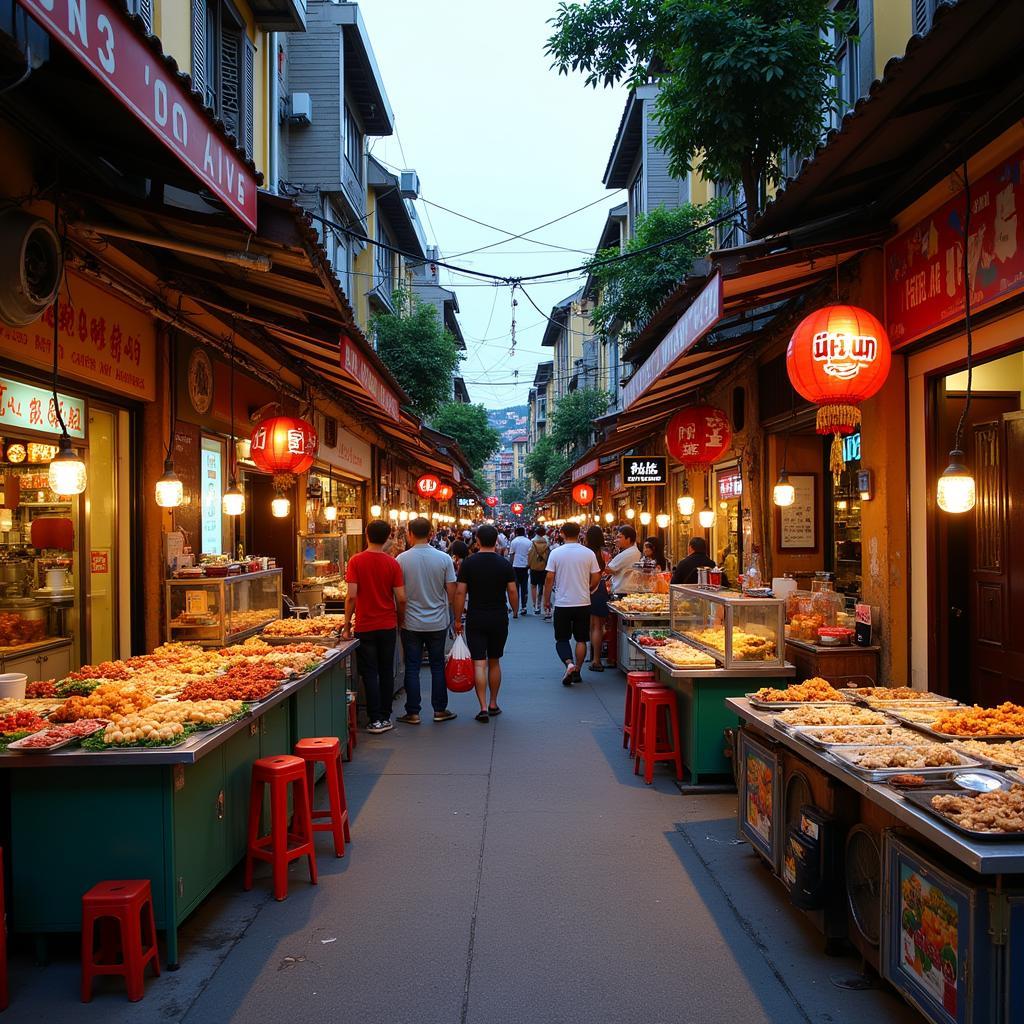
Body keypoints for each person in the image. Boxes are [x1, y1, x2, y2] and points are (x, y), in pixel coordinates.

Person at [343, 520, 406, 734]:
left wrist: (346, 625)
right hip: (387, 624)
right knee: (386, 670)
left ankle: (374, 718)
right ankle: (385, 716)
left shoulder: (356, 561)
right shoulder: (393, 563)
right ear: (388, 536)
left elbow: (351, 596)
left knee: (369, 672)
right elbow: (401, 597)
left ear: (367, 535)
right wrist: (400, 619)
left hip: (364, 625)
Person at [395, 517, 458, 726]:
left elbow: (399, 595)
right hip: (438, 621)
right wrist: (452, 615)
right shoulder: (443, 558)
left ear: (410, 534)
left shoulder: (401, 559)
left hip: (410, 622)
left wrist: (400, 618)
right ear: (431, 533)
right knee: (437, 665)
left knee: (412, 666)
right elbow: (452, 592)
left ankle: (413, 712)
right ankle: (440, 709)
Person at [452, 524, 517, 722]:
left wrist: (456, 618)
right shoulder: (504, 564)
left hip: (476, 617)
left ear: (477, 540)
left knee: (478, 663)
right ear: (496, 540)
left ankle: (482, 707)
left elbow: (461, 592)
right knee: (494, 661)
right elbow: (512, 591)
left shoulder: (469, 564)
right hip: (498, 616)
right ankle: (493, 703)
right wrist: (515, 609)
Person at [543, 521, 601, 686]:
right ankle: (578, 670)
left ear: (561, 533)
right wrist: (589, 587)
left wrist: (546, 599)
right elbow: (596, 575)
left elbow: (549, 578)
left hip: (563, 602)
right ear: (579, 534)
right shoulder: (588, 553)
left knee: (562, 638)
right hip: (583, 602)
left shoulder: (556, 553)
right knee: (581, 639)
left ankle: (569, 664)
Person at [584, 525, 611, 672]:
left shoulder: (586, 553)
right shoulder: (605, 553)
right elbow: (608, 569)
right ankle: (595, 657)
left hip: (588, 588)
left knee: (591, 626)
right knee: (598, 627)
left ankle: (594, 659)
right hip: (600, 588)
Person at [605, 525, 641, 594]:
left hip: (622, 591)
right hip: (626, 590)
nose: (616, 540)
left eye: (619, 537)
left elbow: (609, 569)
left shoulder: (629, 552)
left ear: (628, 539)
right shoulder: (633, 551)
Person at [507, 526, 532, 616]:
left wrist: (510, 566)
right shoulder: (529, 542)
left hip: (515, 566)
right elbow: (530, 555)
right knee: (524, 587)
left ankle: (515, 607)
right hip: (525, 566)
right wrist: (529, 564)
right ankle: (524, 607)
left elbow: (512, 555)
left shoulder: (514, 541)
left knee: (515, 587)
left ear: (516, 533)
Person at [527, 527, 551, 616]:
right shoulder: (547, 542)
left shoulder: (532, 542)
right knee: (544, 586)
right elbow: (549, 555)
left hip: (534, 567)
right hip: (544, 567)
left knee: (533, 586)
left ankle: (535, 606)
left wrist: (529, 564)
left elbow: (530, 555)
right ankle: (543, 605)